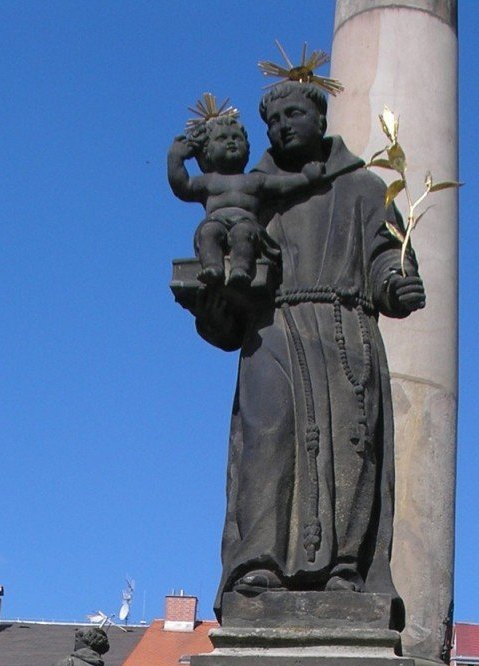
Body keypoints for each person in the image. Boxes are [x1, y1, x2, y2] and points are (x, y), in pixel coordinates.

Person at [195, 80, 425, 618]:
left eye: (293, 114)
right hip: (271, 329)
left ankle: (345, 569)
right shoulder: (251, 191)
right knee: (265, 440)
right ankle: (257, 566)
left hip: (345, 332)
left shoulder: (365, 189)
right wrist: (216, 297)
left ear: (320, 119)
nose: (282, 127)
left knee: (351, 447)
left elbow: (385, 257)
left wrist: (397, 281)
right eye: (273, 120)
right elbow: (227, 291)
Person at [167, 108, 324, 288]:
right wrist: (175, 158)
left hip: (246, 223)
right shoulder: (208, 182)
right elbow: (182, 186)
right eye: (222, 138)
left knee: (242, 233)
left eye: (236, 138)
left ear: (247, 149)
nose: (231, 142)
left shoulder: (255, 180)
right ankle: (212, 268)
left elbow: (283, 185)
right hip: (215, 221)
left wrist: (306, 178)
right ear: (207, 152)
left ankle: (240, 270)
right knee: (209, 232)